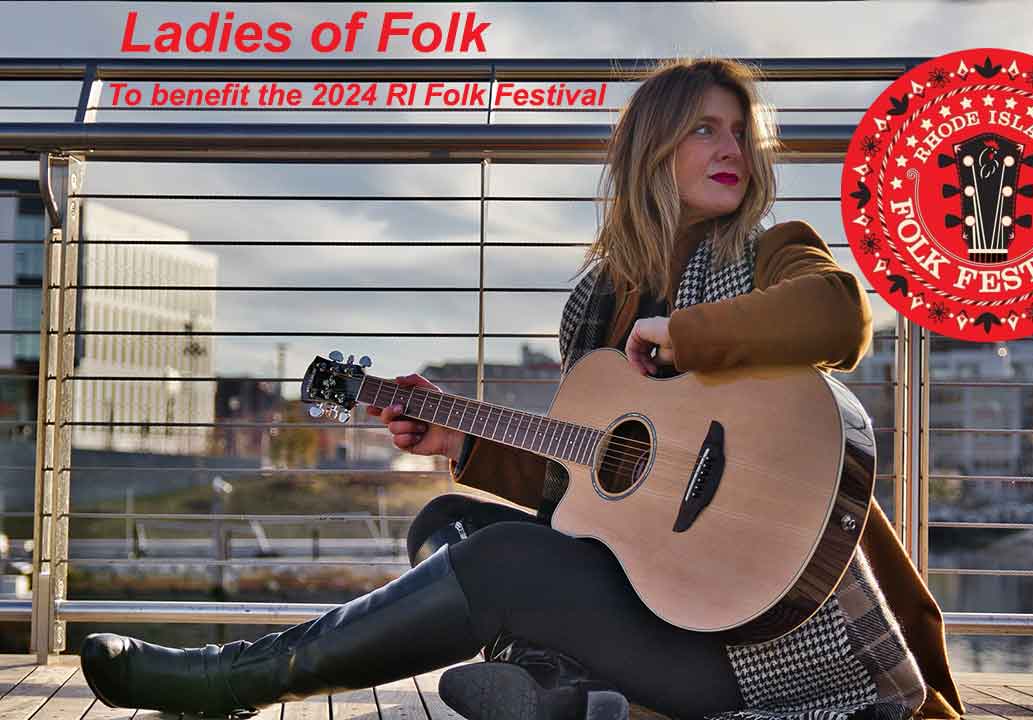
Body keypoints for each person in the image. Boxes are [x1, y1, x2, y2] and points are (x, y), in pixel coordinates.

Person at [79, 57, 965, 720]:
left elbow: (839, 317)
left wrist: (686, 335)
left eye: (739, 131)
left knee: (498, 564)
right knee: (447, 525)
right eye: (704, 128)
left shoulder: (770, 252)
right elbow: (591, 495)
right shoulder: (597, 306)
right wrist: (457, 444)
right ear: (650, 146)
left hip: (773, 647)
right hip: (664, 610)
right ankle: (574, 692)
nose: (731, 146)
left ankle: (236, 677)